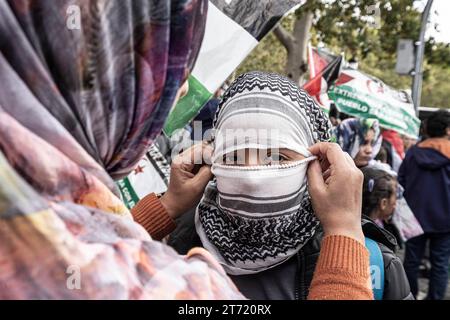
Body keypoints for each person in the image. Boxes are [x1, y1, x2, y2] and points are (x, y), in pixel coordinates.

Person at [163, 72, 407, 299]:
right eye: (233, 157)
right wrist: (167, 208)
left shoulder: (374, 264)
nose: (251, 176)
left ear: (316, 163)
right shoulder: (172, 241)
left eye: (278, 157)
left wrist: (343, 232)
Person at [399, 109, 450, 300]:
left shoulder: (413, 152)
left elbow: (401, 180)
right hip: (445, 219)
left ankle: (410, 295)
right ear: (447, 130)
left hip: (414, 216)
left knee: (411, 260)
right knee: (440, 263)